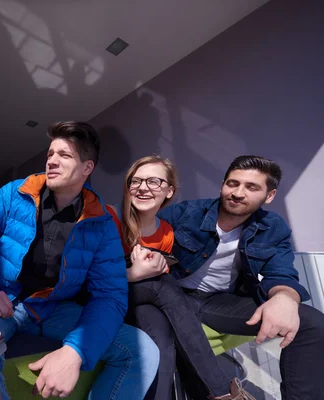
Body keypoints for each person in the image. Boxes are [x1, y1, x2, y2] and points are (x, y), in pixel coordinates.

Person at [0, 121, 161, 400]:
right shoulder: (17, 193)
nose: (53, 161)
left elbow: (110, 295)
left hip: (54, 309)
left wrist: (76, 351)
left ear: (87, 168)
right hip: (2, 302)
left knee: (143, 350)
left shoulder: (102, 223)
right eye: (50, 154)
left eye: (65, 155)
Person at [127, 155, 324, 400]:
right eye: (233, 183)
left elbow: (281, 272)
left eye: (251, 187)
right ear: (222, 185)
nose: (238, 192)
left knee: (313, 323)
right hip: (173, 295)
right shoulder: (186, 213)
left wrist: (284, 297)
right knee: (162, 328)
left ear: (269, 196)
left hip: (219, 302)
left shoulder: (273, 227)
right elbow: (143, 233)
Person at [106, 156, 253, 399]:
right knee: (163, 285)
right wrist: (134, 273)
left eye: (154, 181)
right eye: (136, 181)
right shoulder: (111, 218)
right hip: (104, 299)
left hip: (139, 304)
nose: (143, 187)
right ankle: (221, 391)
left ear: (169, 191)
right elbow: (88, 277)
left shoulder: (167, 233)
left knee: (161, 340)